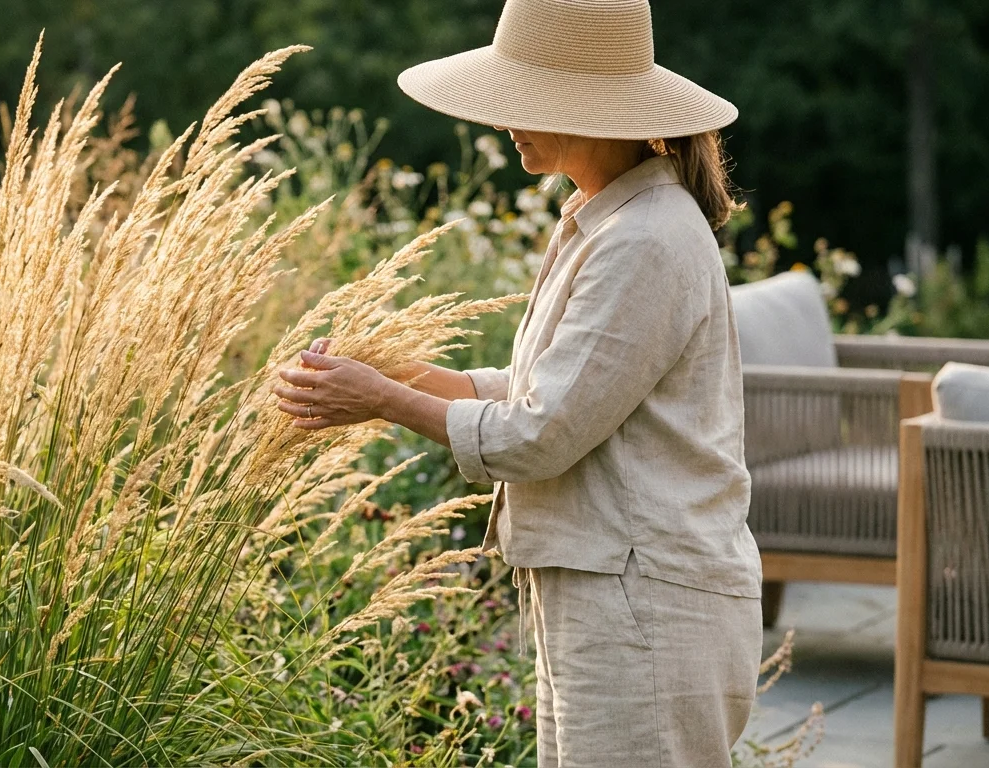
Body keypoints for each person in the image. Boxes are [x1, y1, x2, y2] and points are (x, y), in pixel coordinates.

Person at [272, 0, 763, 764]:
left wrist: (380, 400)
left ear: (591, 110)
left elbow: (542, 435)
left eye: (523, 100)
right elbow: (546, 389)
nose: (504, 122)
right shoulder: (604, 219)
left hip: (646, 604)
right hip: (614, 589)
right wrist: (398, 369)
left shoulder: (644, 240)